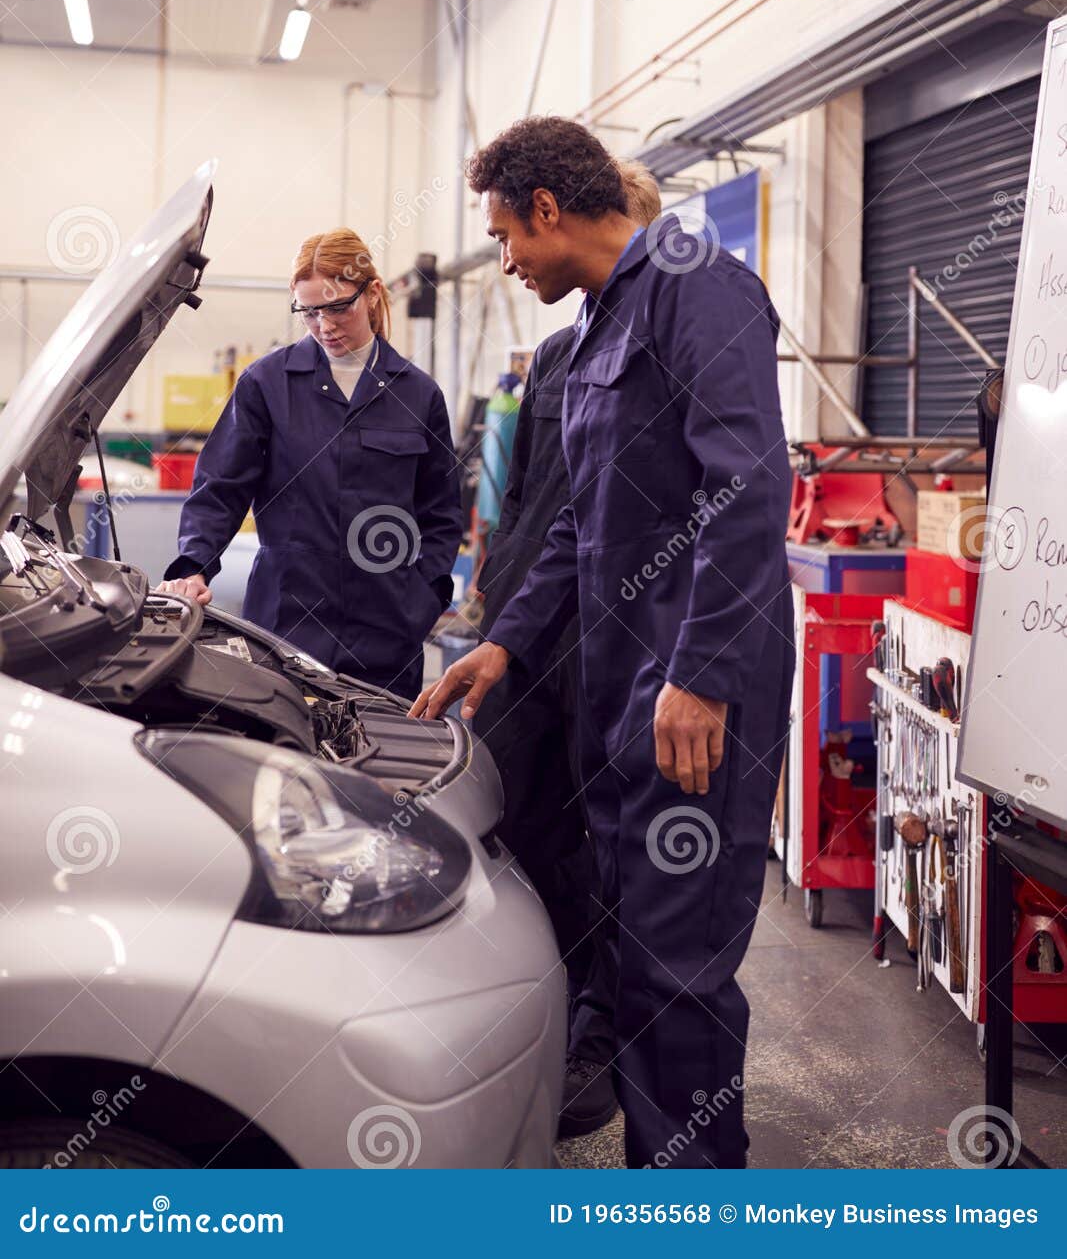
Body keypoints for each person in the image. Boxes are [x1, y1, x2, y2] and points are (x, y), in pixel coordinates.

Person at [411, 117, 795, 1169]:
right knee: (630, 953)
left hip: (692, 690)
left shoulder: (694, 287)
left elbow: (748, 492)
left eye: (504, 237)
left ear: (547, 208)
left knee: (677, 968)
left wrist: (703, 676)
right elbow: (578, 516)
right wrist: (508, 646)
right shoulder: (593, 328)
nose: (505, 260)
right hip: (625, 685)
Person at [473, 158, 663, 1141]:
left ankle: (604, 1020)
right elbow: (531, 498)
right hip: (523, 631)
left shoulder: (675, 354)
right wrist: (490, 588)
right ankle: (558, 988)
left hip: (612, 642)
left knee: (612, 837)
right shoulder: (551, 360)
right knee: (510, 813)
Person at [160, 229, 461, 701]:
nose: (325, 326)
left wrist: (423, 599)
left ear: (373, 293)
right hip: (284, 626)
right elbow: (220, 487)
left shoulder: (418, 395)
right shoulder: (266, 383)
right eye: (309, 312)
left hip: (386, 634)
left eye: (338, 306)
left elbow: (441, 514)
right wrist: (194, 566)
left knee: (381, 760)